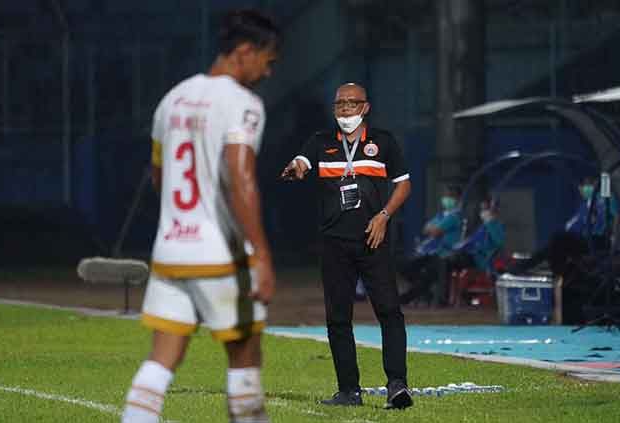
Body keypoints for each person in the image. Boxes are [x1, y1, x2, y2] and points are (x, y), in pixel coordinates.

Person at [121, 10, 280, 423]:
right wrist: (261, 254)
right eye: (269, 59)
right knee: (245, 362)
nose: (268, 72)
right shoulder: (243, 104)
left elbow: (160, 176)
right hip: (219, 254)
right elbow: (241, 179)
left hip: (170, 252)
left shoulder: (171, 98)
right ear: (245, 52)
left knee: (160, 363)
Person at [280, 83, 413, 409]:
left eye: (352, 104)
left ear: (365, 108)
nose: (345, 110)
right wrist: (296, 169)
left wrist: (383, 216)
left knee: (390, 312)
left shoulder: (383, 142)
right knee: (338, 318)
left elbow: (404, 185)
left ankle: (397, 385)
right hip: (334, 244)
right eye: (340, 104)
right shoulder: (320, 142)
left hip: (374, 239)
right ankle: (349, 391)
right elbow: (302, 162)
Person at [512, 176, 620, 277]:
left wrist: (614, 240)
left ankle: (550, 271)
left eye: (588, 185)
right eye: (583, 186)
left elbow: (617, 217)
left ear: (596, 184)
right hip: (584, 240)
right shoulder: (586, 204)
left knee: (558, 239)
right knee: (553, 245)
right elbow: (572, 225)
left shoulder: (607, 199)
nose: (583, 188)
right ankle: (523, 266)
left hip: (597, 240)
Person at [398, 184, 463, 306]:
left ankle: (408, 298)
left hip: (445, 254)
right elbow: (426, 229)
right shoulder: (441, 215)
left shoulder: (455, 216)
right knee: (405, 266)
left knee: (428, 274)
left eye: (450, 196)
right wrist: (435, 229)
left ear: (458, 199)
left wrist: (435, 229)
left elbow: (434, 231)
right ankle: (424, 293)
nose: (446, 198)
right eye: (446, 195)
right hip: (431, 252)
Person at [448, 195, 506, 306]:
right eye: (482, 209)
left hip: (482, 260)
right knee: (448, 261)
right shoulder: (482, 227)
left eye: (485, 209)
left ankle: (449, 298)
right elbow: (470, 241)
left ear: (493, 211)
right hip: (470, 258)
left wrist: (490, 224)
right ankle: (449, 297)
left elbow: (498, 242)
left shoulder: (496, 226)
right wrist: (460, 245)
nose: (483, 212)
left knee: (452, 261)